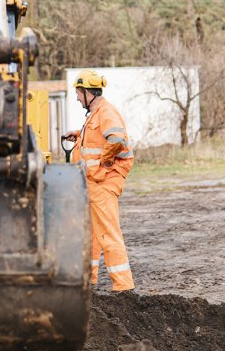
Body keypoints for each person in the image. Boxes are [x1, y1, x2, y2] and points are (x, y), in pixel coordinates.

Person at [62, 69, 135, 292]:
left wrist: (104, 162)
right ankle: (89, 278)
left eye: (78, 93)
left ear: (88, 93)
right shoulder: (95, 113)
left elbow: (117, 139)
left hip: (104, 182)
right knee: (92, 233)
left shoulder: (106, 112)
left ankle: (123, 285)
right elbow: (99, 137)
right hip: (95, 183)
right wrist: (78, 134)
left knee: (108, 233)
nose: (76, 97)